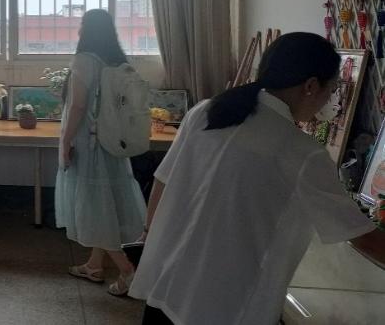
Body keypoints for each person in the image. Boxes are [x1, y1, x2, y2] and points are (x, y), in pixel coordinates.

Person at [130, 32, 385, 324]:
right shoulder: (302, 153)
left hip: (168, 283)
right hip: (221, 305)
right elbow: (361, 235)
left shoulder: (206, 112)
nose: (330, 100)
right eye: (332, 89)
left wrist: (148, 237)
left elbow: (163, 181)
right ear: (311, 86)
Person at [55, 9, 147, 296]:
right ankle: (94, 265)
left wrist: (66, 141)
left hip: (89, 142)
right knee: (104, 202)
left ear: (87, 30)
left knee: (94, 207)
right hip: (111, 141)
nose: (78, 30)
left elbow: (78, 105)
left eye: (81, 25)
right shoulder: (116, 60)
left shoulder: (84, 60)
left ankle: (128, 271)